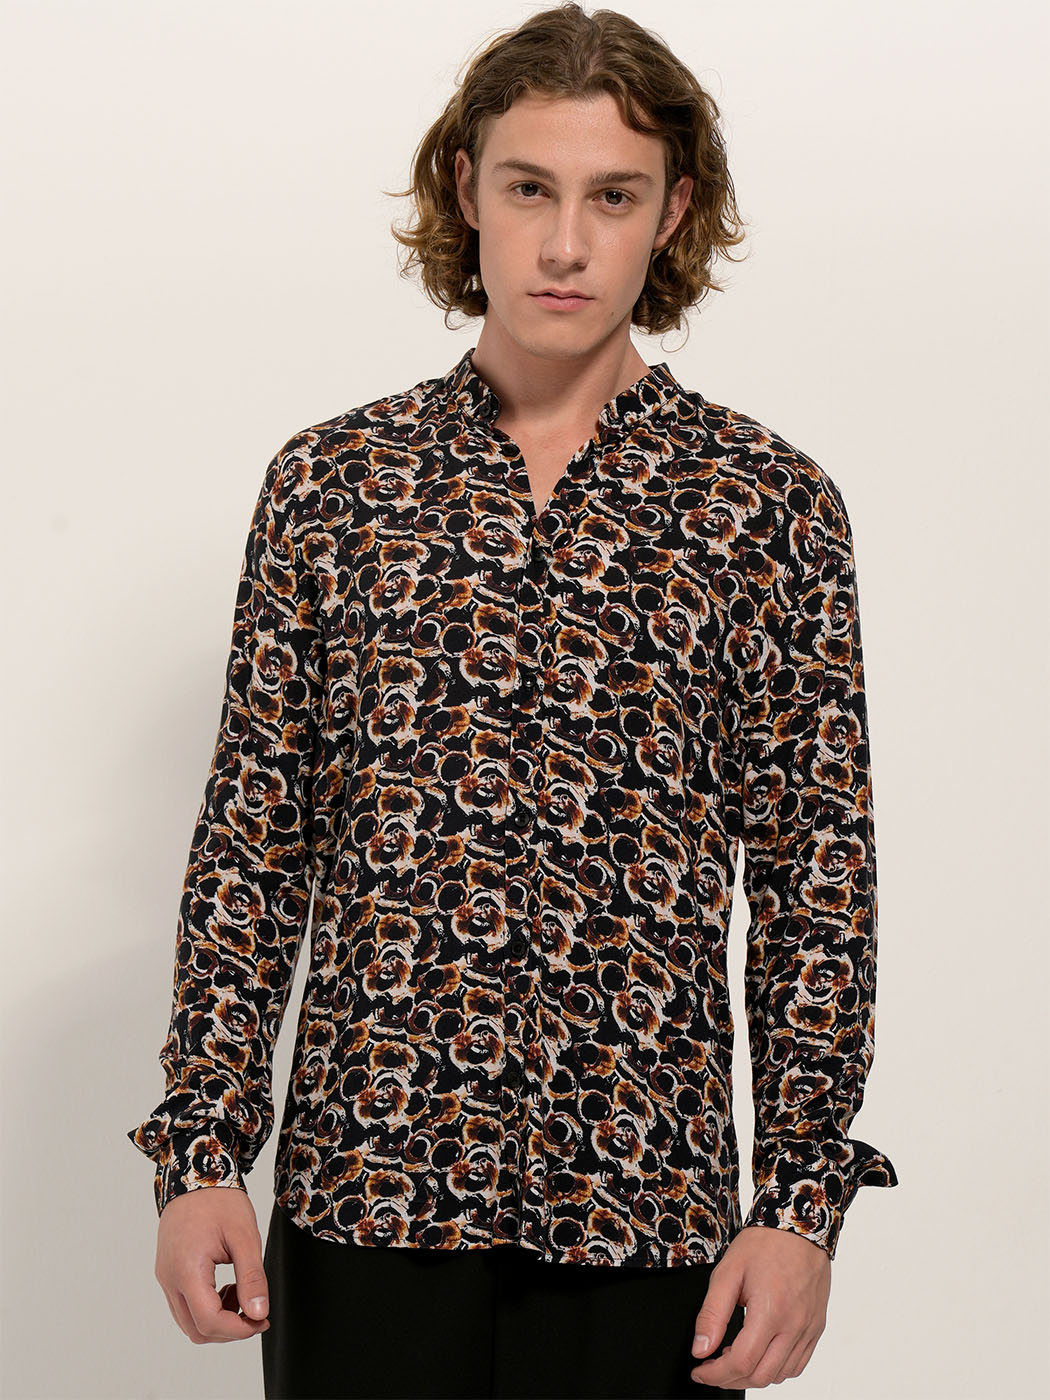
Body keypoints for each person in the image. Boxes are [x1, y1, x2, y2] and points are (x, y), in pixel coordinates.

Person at [127, 4, 899, 1396]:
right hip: (367, 1193)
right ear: (464, 189)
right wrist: (200, 1152)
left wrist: (798, 1208)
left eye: (614, 197)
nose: (564, 245)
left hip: (646, 1212)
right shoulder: (336, 486)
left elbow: (815, 875)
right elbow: (256, 838)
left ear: (672, 215)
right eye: (530, 189)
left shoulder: (766, 508)